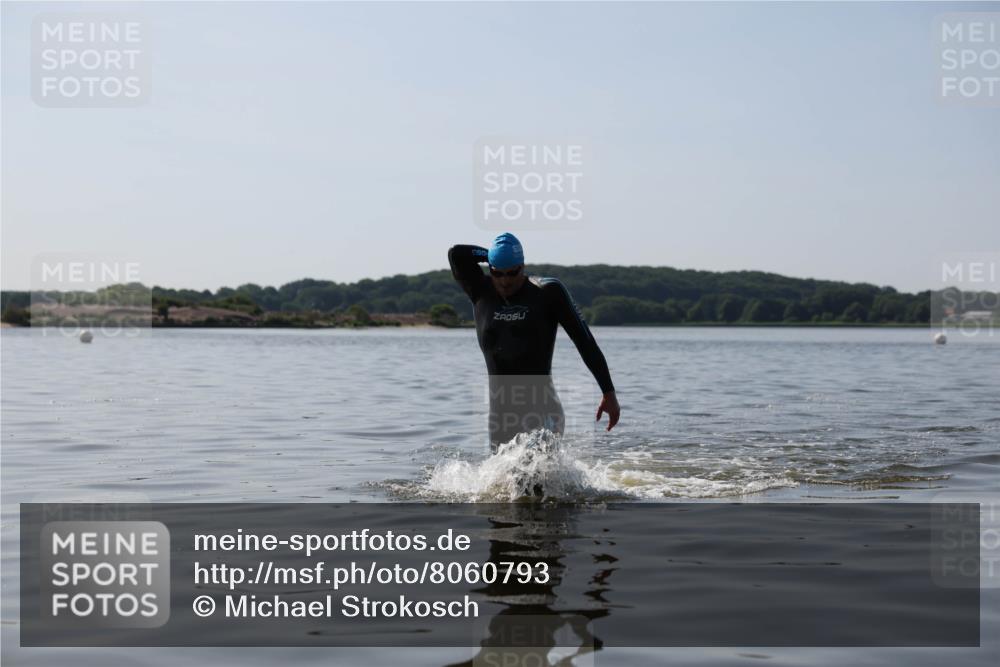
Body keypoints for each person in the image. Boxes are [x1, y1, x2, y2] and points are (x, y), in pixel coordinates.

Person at [449, 232, 620, 451]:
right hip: (501, 416)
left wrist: (608, 392)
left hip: (544, 410)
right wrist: (492, 254)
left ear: (523, 265)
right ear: (490, 268)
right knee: (503, 483)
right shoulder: (481, 291)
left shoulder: (546, 292)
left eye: (512, 272)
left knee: (530, 477)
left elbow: (584, 341)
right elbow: (457, 254)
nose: (505, 280)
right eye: (497, 273)